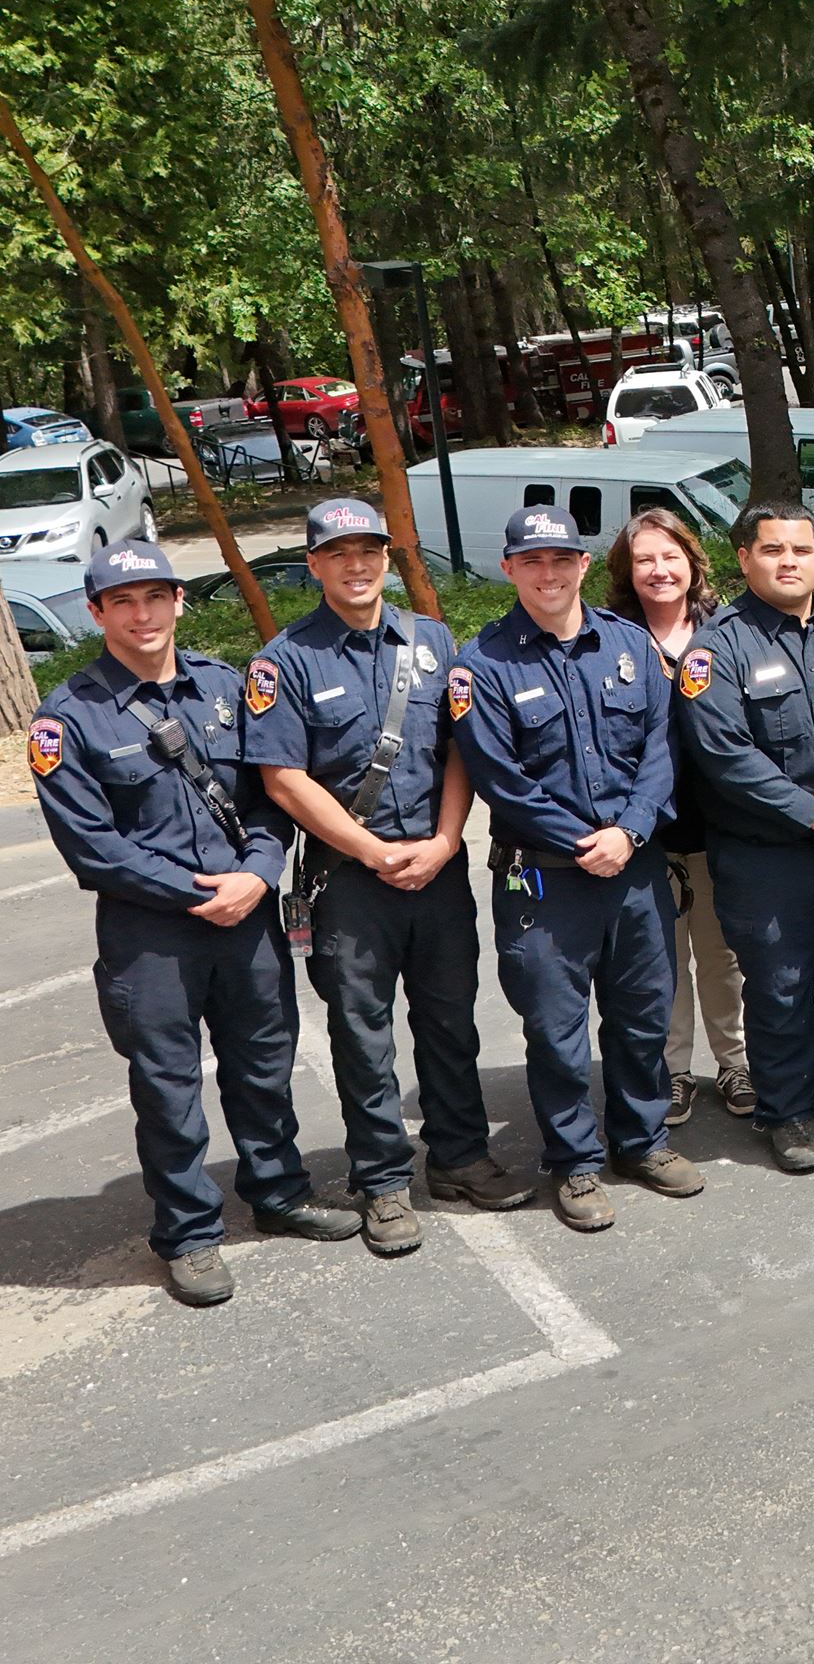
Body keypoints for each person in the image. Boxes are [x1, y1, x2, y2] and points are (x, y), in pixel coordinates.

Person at [31, 542, 359, 1306]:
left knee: (264, 1065)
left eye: (155, 597)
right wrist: (197, 892)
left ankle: (278, 1195)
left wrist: (257, 874)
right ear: (97, 613)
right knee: (168, 1089)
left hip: (245, 915)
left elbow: (268, 801)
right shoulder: (68, 718)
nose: (142, 615)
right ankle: (188, 1234)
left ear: (180, 602)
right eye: (123, 602)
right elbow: (93, 847)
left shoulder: (225, 687)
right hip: (152, 935)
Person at [248, 497, 517, 1257]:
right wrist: (371, 851)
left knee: (449, 1019)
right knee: (362, 1037)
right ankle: (384, 1181)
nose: (357, 565)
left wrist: (443, 839)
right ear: (314, 566)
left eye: (370, 550)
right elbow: (281, 778)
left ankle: (461, 1158)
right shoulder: (285, 660)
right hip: (351, 882)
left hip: (435, 867)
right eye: (338, 553)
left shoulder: (431, 640)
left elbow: (462, 750)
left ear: (389, 558)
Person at [451, 505, 705, 1232]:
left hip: (634, 869)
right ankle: (577, 1164)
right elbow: (500, 779)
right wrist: (584, 841)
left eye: (561, 559)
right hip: (544, 879)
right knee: (557, 1030)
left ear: (584, 565)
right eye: (531, 562)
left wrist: (627, 833)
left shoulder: (627, 645)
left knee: (642, 1018)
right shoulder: (483, 662)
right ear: (508, 570)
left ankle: (641, 1141)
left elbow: (661, 749)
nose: (548, 573)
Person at [675, 499, 814, 1173]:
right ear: (744, 559)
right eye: (772, 550)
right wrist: (812, 812)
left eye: (800, 550)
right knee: (779, 988)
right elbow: (723, 756)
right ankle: (790, 1112)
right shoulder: (715, 650)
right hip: (766, 857)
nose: (788, 561)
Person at [605, 507, 753, 1128]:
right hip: (647, 833)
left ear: (693, 563)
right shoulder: (609, 636)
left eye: (671, 557)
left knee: (723, 956)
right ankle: (673, 1070)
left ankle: (737, 1061)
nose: (660, 570)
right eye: (645, 560)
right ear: (626, 572)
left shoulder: (728, 630)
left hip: (722, 827)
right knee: (661, 958)